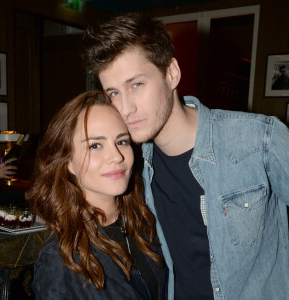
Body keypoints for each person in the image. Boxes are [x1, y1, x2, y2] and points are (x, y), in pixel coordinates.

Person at [82, 12, 289, 300]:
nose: (125, 108)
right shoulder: (134, 166)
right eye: (114, 92)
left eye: (136, 85)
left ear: (171, 74)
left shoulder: (260, 140)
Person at [31, 91, 167, 299]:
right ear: (68, 162)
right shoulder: (61, 260)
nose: (116, 156)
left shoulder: (146, 223)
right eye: (95, 145)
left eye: (122, 141)